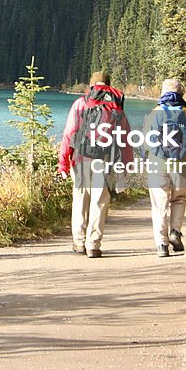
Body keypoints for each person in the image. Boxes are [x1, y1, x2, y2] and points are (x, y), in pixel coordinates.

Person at [58, 71, 132, 258]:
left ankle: (79, 242)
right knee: (99, 202)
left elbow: (69, 134)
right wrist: (126, 167)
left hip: (81, 160)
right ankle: (93, 245)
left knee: (80, 200)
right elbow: (125, 140)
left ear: (91, 85)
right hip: (105, 162)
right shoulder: (117, 108)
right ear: (108, 85)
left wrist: (63, 163)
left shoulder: (81, 104)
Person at [144, 78, 186, 257]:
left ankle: (161, 245)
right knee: (179, 199)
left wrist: (143, 159)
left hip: (158, 161)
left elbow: (145, 141)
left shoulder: (153, 113)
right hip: (182, 161)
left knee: (159, 203)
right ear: (181, 93)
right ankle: (175, 232)